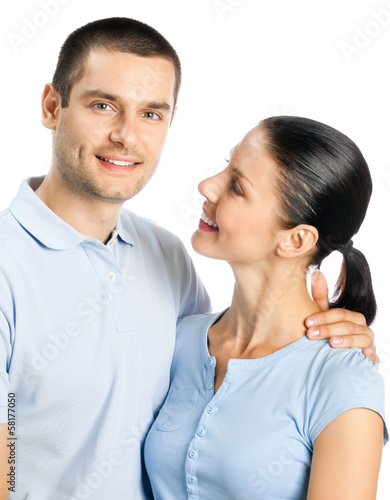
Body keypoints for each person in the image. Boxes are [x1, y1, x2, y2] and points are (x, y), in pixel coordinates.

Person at [0, 18, 379, 500]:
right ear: (53, 106)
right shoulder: (7, 265)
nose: (126, 135)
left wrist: (340, 343)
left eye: (152, 114)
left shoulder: (167, 258)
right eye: (103, 105)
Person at [144, 116, 388, 500]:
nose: (207, 186)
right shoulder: (180, 338)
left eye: (237, 186)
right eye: (226, 167)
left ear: (296, 240)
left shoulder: (342, 379)